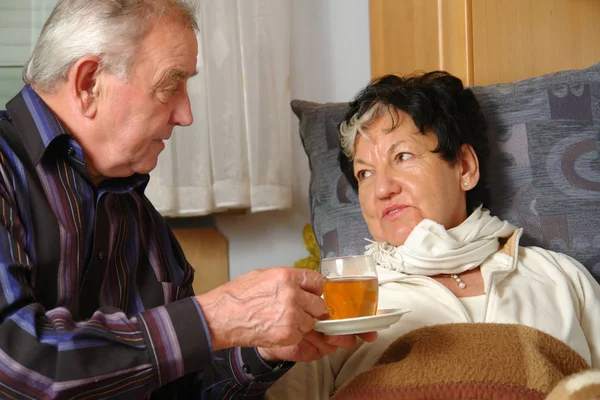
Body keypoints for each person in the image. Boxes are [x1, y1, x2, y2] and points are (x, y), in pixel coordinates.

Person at [0, 1, 376, 398]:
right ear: (89, 83)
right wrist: (215, 319)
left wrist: (259, 351)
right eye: (169, 85)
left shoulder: (133, 209)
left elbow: (187, 387)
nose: (186, 114)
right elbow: (15, 363)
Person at [266, 71, 600, 398]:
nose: (381, 188)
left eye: (403, 156)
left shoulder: (562, 279)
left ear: (465, 167)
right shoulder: (334, 307)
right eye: (364, 173)